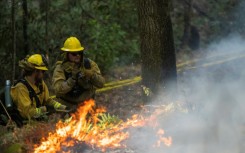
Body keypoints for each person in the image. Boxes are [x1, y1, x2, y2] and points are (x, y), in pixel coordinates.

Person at [11, 54, 67, 120]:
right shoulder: (21, 88)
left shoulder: (40, 83)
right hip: (25, 124)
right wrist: (45, 109)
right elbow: (27, 113)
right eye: (43, 71)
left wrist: (62, 107)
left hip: (38, 120)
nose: (43, 74)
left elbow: (48, 100)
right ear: (35, 71)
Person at [52, 36, 105, 106]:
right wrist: (72, 79)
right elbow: (58, 90)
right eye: (74, 54)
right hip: (68, 106)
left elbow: (101, 84)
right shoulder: (60, 68)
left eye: (79, 53)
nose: (77, 56)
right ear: (67, 54)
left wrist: (92, 76)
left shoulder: (89, 64)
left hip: (87, 105)